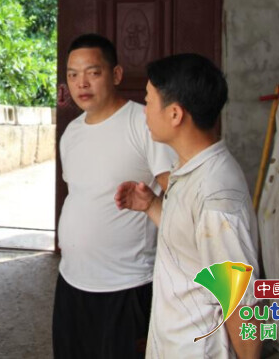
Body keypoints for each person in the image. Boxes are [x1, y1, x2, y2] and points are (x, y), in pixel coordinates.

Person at [115, 53, 261, 359]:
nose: (144, 112)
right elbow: (189, 244)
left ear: (175, 114)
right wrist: (151, 205)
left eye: (149, 101)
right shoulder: (190, 167)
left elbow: (239, 301)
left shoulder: (216, 195)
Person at [53, 33, 174, 359]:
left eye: (93, 72)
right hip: (71, 281)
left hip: (127, 285)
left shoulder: (144, 124)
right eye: (72, 75)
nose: (81, 83)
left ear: (116, 74)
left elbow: (178, 197)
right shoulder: (72, 133)